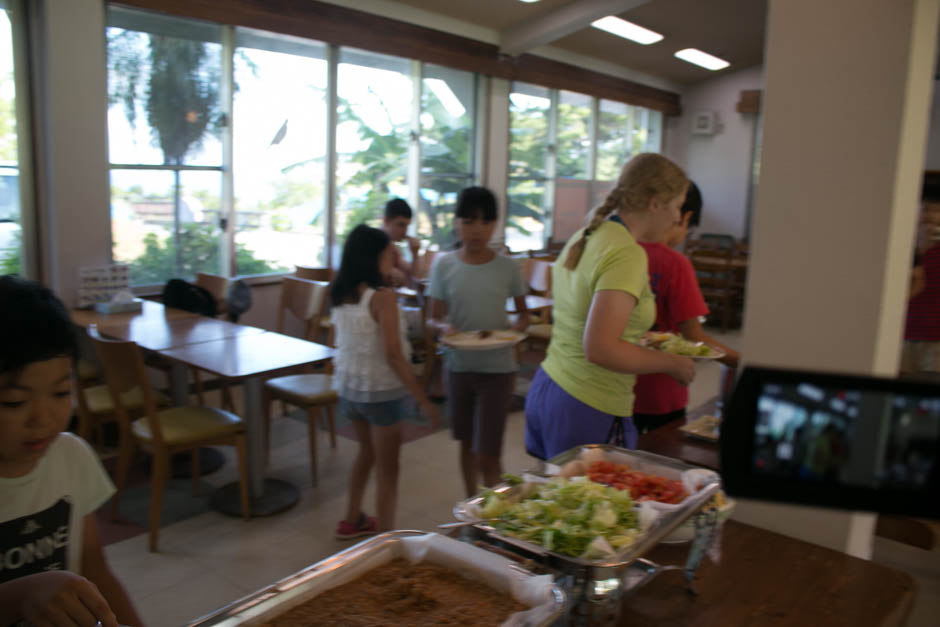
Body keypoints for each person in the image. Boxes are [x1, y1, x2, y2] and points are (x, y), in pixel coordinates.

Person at [524, 153, 697, 460]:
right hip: (588, 401)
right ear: (655, 203)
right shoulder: (627, 253)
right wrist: (673, 363)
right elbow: (601, 349)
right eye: (676, 206)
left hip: (550, 386)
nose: (676, 217)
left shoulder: (588, 235)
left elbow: (582, 322)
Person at [0, 275, 142, 627]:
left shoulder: (70, 456)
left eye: (61, 393)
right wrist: (22, 596)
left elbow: (93, 569)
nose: (43, 419)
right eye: (14, 401)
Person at [330, 225, 441, 539]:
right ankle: (386, 542)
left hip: (350, 390)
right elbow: (393, 354)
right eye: (387, 255)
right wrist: (422, 399)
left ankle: (352, 519)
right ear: (373, 258)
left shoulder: (340, 292)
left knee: (365, 453)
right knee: (388, 471)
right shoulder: (383, 299)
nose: (392, 260)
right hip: (381, 394)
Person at [427, 187, 529, 496]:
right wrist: (443, 326)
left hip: (498, 369)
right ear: (457, 223)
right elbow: (431, 319)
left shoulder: (507, 267)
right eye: (469, 221)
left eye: (486, 222)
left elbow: (524, 315)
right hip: (459, 367)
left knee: (489, 451)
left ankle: (493, 519)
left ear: (495, 225)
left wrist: (516, 329)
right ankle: (471, 504)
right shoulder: (443, 265)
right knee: (466, 444)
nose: (478, 230)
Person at [632, 181, 741, 432]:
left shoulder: (619, 251)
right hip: (660, 390)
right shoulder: (675, 263)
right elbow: (693, 337)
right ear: (685, 216)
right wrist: (741, 360)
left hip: (616, 382)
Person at [902, 201, 940, 375]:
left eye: (937, 210)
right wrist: (920, 251)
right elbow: (910, 289)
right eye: (926, 209)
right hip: (904, 337)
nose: (931, 216)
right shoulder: (904, 247)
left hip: (935, 342)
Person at [381, 198, 421, 288]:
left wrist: (415, 254)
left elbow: (412, 282)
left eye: (407, 226)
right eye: (401, 225)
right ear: (386, 221)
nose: (405, 231)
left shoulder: (391, 247)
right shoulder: (370, 242)